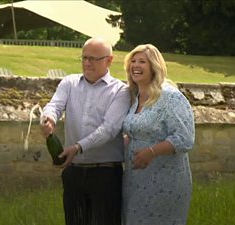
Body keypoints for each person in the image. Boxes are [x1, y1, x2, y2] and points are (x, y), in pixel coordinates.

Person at [41, 37, 130, 225]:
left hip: (105, 174)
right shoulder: (69, 83)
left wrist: (78, 147)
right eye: (84, 58)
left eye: (94, 59)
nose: (87, 63)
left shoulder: (120, 91)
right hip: (73, 172)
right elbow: (54, 105)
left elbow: (109, 129)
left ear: (109, 60)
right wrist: (48, 118)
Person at [122, 44, 195, 225]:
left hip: (164, 181)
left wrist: (151, 151)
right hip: (136, 179)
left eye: (142, 62)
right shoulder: (135, 96)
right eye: (133, 61)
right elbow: (137, 131)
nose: (135, 65)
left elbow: (185, 138)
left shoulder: (170, 97)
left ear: (154, 66)